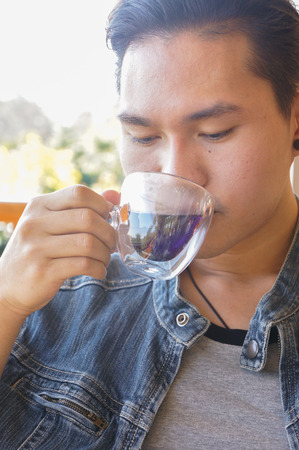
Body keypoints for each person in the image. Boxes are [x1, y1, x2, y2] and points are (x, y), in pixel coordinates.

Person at [0, 0, 298, 447]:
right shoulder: (57, 288)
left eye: (215, 131)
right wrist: (5, 304)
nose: (174, 173)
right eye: (143, 136)